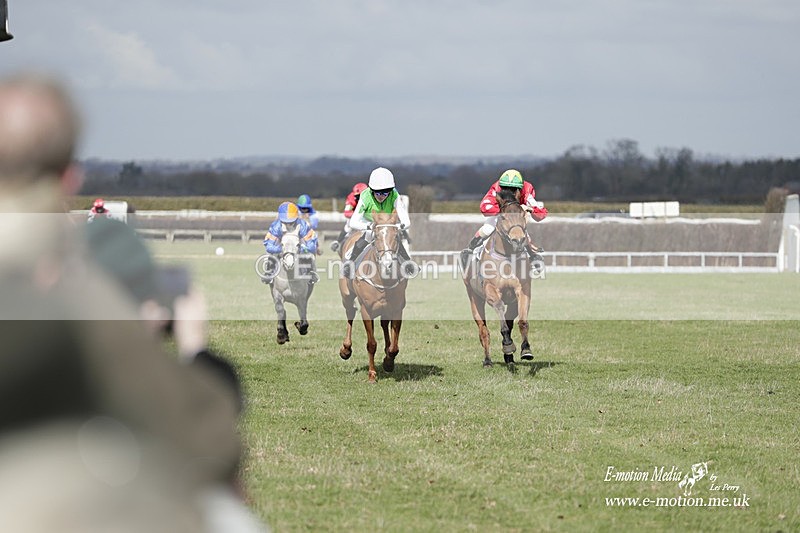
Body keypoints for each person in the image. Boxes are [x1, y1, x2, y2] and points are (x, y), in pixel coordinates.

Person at [0, 71, 261, 531]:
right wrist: (197, 354)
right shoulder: (83, 275)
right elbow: (202, 445)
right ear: (69, 175)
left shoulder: (381, 201)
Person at [460, 169, 547, 267]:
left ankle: (532, 256)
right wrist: (505, 210)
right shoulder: (496, 188)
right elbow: (484, 207)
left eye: (513, 190)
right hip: (500, 213)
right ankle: (470, 249)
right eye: (505, 188)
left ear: (520, 189)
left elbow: (541, 214)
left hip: (517, 215)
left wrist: (529, 208)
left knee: (521, 231)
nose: (509, 192)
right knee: (488, 228)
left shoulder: (527, 190)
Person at [346, 167, 411, 263]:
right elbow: (353, 222)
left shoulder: (395, 195)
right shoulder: (365, 196)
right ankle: (350, 261)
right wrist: (370, 226)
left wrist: (394, 227)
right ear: (371, 190)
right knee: (368, 235)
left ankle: (408, 262)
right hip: (369, 223)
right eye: (377, 193)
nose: (381, 196)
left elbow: (407, 222)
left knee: (392, 236)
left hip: (388, 224)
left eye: (385, 193)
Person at [263, 201, 319, 283]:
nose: (288, 224)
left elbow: (312, 245)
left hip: (298, 247)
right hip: (281, 248)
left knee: (309, 255)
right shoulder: (276, 226)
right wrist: (280, 249)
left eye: (291, 222)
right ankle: (269, 272)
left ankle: (310, 272)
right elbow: (269, 246)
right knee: (270, 254)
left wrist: (303, 248)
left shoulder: (303, 225)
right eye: (285, 222)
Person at [330, 182, 368, 252]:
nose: (359, 198)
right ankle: (338, 242)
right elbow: (347, 213)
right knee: (348, 225)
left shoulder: (371, 198)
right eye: (357, 196)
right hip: (355, 216)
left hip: (367, 216)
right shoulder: (351, 198)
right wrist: (356, 215)